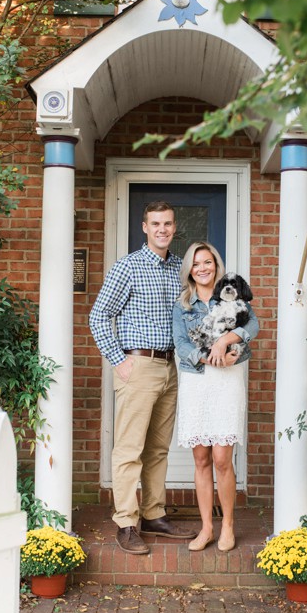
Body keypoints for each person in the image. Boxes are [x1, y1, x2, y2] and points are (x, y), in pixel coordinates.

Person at [89, 201, 196, 555]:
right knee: (130, 450)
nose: (162, 229)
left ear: (174, 226)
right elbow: (99, 315)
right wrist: (119, 361)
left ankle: (153, 514)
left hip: (170, 367)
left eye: (167, 223)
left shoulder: (180, 268)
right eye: (156, 224)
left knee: (158, 449)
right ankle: (125, 521)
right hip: (138, 366)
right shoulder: (128, 267)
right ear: (144, 227)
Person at [171, 241, 259, 552]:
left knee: (222, 458)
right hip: (197, 381)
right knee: (201, 458)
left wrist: (227, 341)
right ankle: (206, 527)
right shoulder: (183, 305)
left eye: (207, 262)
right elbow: (179, 342)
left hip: (227, 381)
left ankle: (228, 526)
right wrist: (206, 356)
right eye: (196, 264)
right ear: (190, 271)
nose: (203, 268)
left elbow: (254, 324)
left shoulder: (232, 295)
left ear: (215, 265)